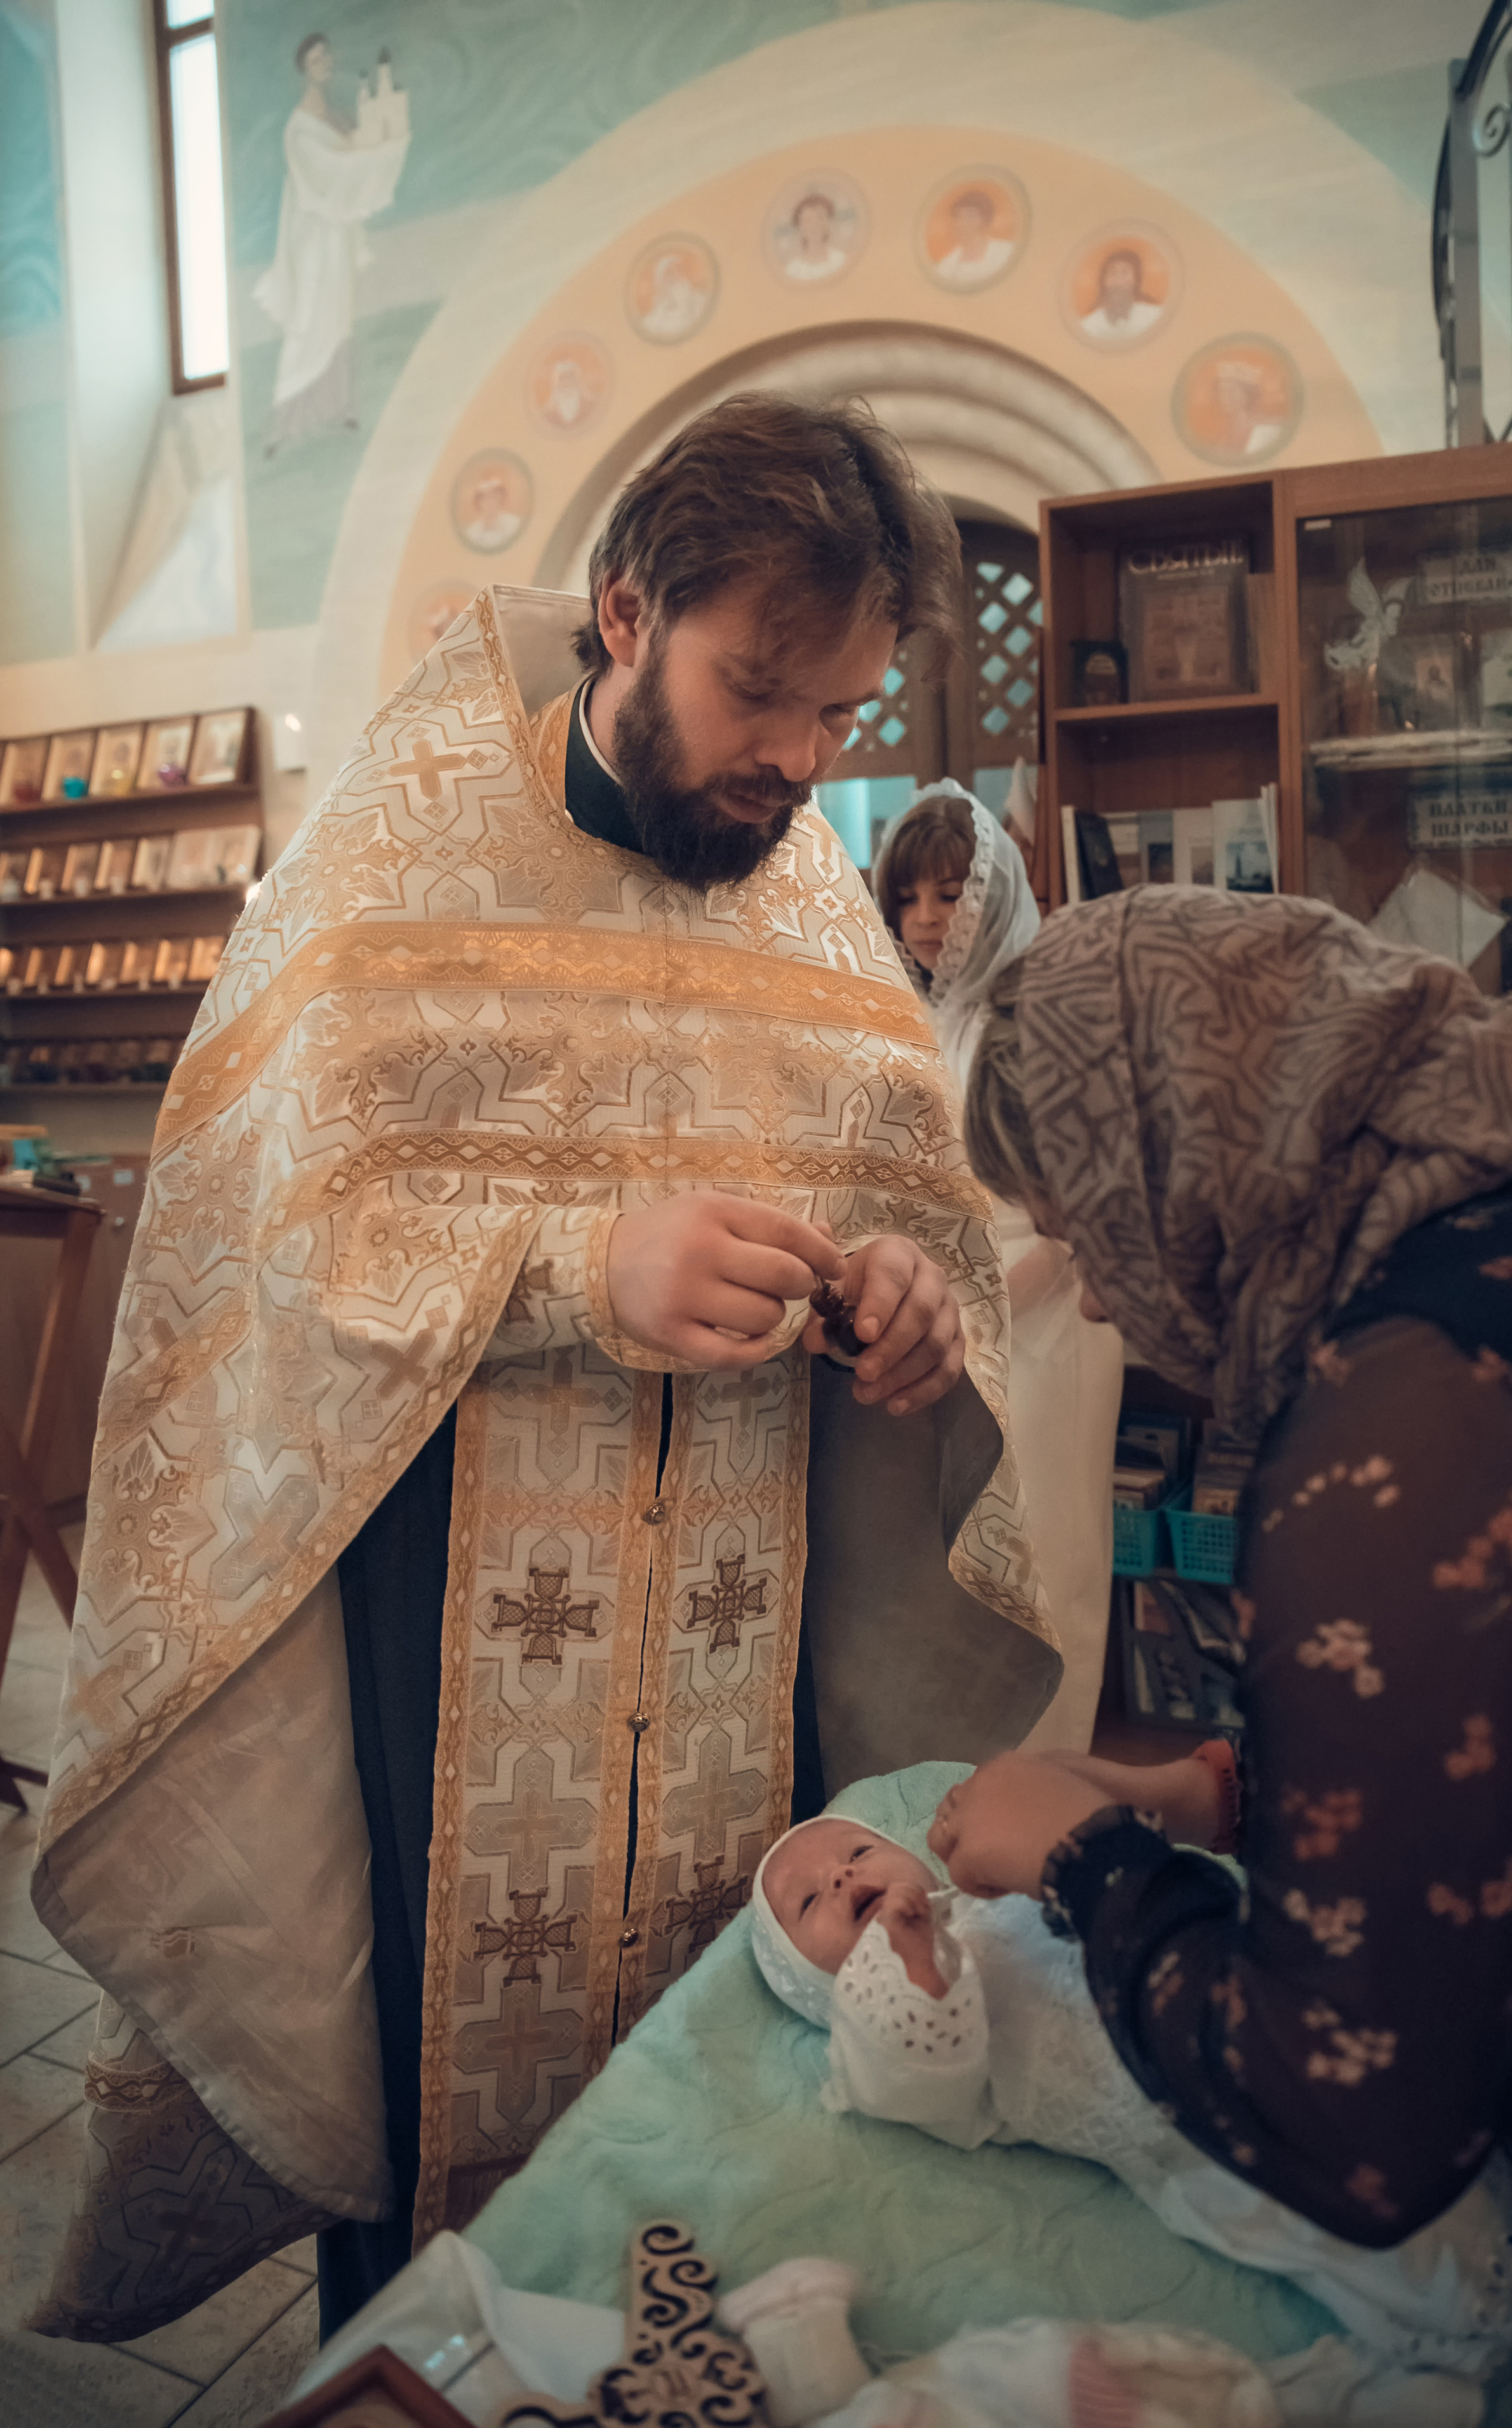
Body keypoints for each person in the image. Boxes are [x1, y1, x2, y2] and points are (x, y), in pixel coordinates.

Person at [30, 396, 1061, 2347]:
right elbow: (261, 1240)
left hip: (743, 1655)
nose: (795, 759)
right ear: (620, 608)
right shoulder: (401, 857)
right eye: (762, 688)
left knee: (720, 2107)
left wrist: (913, 1303)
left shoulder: (812, 897)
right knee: (442, 2179)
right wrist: (572, 1259)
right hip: (440, 1646)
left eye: (839, 714)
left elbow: (892, 1194)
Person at [933, 870, 1512, 2380]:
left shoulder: (1409, 1428)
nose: (1102, 1304)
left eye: (1089, 1233)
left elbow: (1356, 2127)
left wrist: (1089, 1860)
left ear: (1180, 1155)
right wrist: (1209, 1798)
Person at [750, 1809, 1512, 2401]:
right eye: (810, 1902)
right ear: (806, 1982)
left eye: (859, 1849)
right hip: (1173, 2126)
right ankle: (1460, 2302)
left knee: (1362, 2080)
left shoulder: (975, 1901)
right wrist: (909, 1968)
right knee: (1312, 2199)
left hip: (1204, 1994)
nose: (841, 1873)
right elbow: (926, 2075)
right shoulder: (865, 2027)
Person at [873, 785, 1119, 1744]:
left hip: (1046, 1312)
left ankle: (1055, 1770)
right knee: (958, 1555)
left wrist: (977, 1303)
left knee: (1051, 1548)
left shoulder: (1046, 1015)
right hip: (950, 1314)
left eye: (949, 894)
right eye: (910, 899)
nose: (930, 921)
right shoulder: (915, 1017)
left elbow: (1074, 1210)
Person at [254, 34, 409, 452]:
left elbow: (354, 153)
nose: (324, 61)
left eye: (326, 55)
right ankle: (285, 423)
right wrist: (371, 158)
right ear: (304, 66)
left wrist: (383, 148)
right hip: (312, 239)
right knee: (309, 321)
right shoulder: (299, 127)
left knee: (339, 317)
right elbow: (327, 172)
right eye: (315, 57)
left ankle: (340, 404)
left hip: (336, 236)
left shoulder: (336, 116)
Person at [933, 188, 1014, 286]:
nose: (962, 223)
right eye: (958, 216)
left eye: (970, 216)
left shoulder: (1007, 252)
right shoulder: (946, 267)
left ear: (985, 220)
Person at [1080, 247, 1162, 342]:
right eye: (1113, 273)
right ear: (1104, 281)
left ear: (1135, 280)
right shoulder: (1088, 326)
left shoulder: (1155, 316)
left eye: (1125, 273)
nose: (1118, 280)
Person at [784, 192, 847, 281]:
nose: (814, 225)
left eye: (820, 218)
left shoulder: (841, 260)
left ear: (828, 222)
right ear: (800, 226)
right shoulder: (793, 270)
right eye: (808, 220)